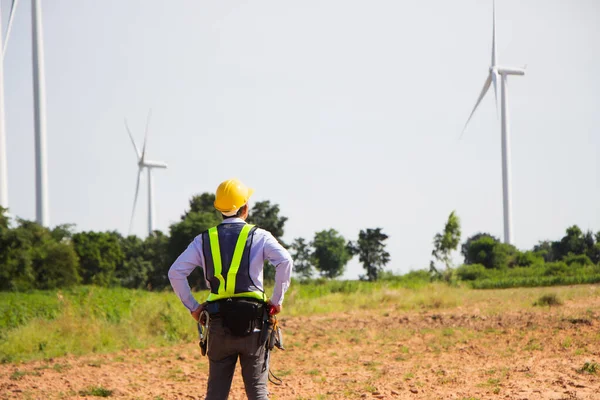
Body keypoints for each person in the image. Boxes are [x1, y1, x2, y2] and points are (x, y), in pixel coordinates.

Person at [168, 178, 292, 400]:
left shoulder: (203, 240)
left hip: (217, 322)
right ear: (245, 208)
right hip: (255, 322)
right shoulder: (259, 236)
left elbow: (175, 273)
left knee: (216, 394)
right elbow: (285, 261)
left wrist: (194, 308)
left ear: (220, 210)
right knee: (258, 392)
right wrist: (276, 301)